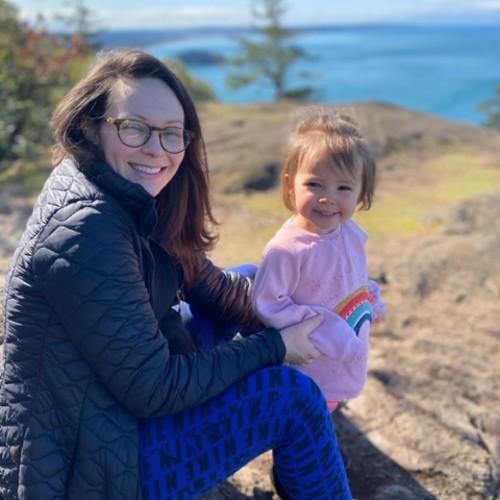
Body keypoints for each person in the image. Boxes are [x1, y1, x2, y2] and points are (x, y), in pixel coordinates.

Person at [0, 49, 352, 499]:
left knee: (250, 281)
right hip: (93, 465)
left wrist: (314, 311)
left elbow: (210, 284)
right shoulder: (85, 230)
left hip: (109, 411)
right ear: (90, 127)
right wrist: (278, 345)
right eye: (134, 128)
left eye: (171, 134)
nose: (155, 149)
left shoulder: (122, 189)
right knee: (290, 399)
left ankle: (305, 458)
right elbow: (154, 388)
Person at [253, 107, 386, 412]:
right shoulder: (287, 250)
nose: (328, 198)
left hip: (342, 359)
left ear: (361, 193)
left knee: (331, 409)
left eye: (344, 188)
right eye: (314, 184)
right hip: (308, 364)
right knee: (304, 428)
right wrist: (325, 328)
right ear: (290, 184)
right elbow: (268, 304)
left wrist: (370, 300)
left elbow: (353, 275)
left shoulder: (350, 232)